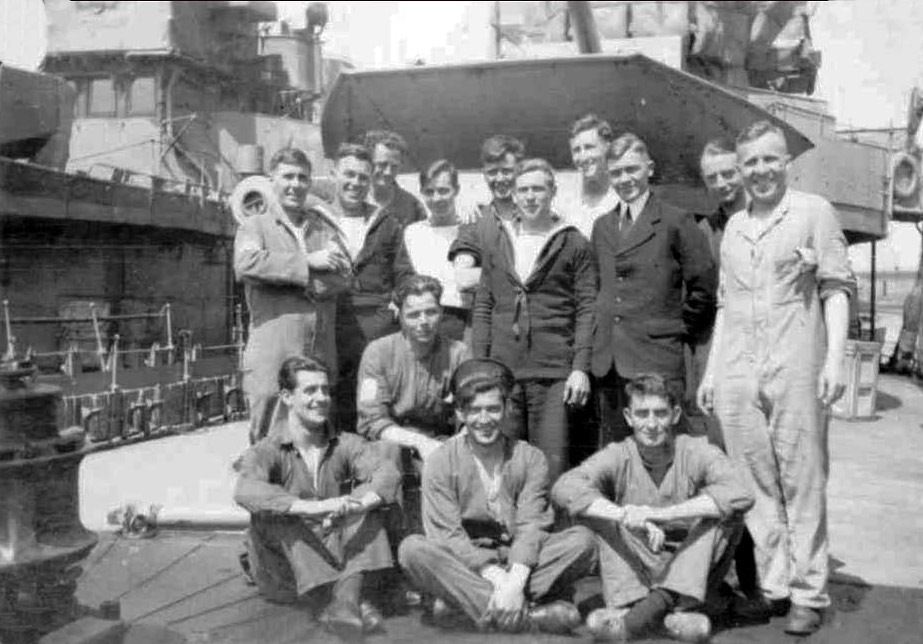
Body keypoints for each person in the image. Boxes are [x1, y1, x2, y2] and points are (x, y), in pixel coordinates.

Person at [697, 121, 851, 635]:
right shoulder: (735, 227)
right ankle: (775, 587)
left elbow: (836, 288)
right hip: (739, 368)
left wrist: (834, 361)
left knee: (802, 478)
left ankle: (810, 591)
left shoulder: (814, 213)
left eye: (770, 160)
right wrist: (714, 371)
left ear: (786, 162)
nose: (760, 171)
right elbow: (725, 305)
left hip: (796, 364)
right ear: (740, 171)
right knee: (755, 483)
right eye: (751, 163)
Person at [398, 358, 597, 635]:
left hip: (520, 560)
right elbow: (448, 536)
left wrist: (514, 582)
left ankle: (466, 606)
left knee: (582, 541)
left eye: (493, 409)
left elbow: (531, 527)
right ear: (459, 412)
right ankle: (530, 617)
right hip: (468, 561)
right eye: (475, 410)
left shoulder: (530, 457)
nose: (484, 420)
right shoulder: (440, 461)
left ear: (505, 409)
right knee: (413, 550)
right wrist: (497, 578)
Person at [553, 374, 754, 642]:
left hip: (690, 564)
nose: (651, 424)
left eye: (660, 414)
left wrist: (659, 514)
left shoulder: (695, 450)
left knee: (723, 516)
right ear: (628, 417)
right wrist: (624, 515)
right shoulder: (619, 453)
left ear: (675, 415)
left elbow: (740, 493)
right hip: (638, 561)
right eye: (642, 414)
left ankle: (642, 615)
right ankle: (662, 617)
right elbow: (564, 487)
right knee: (595, 514)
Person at [233, 356, 401, 640]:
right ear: (287, 397)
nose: (321, 398)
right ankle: (350, 601)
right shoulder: (268, 450)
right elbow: (245, 489)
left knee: (371, 507)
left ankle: (344, 604)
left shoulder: (346, 444)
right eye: (310, 391)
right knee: (278, 516)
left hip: (331, 554)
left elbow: (386, 473)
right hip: (286, 573)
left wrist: (355, 504)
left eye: (325, 390)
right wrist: (313, 508)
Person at [472, 158, 597, 481]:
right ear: (513, 195)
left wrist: (580, 368)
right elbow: (485, 304)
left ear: (552, 192)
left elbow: (586, 308)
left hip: (553, 373)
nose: (530, 197)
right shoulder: (498, 241)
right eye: (523, 190)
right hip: (504, 371)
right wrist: (480, 366)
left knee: (550, 467)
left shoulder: (573, 242)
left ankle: (552, 531)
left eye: (538, 189)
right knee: (504, 465)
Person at [591, 133, 717, 446]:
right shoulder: (603, 227)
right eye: (617, 172)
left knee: (662, 448)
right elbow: (601, 289)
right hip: (609, 364)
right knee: (616, 451)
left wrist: (674, 329)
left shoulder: (676, 221)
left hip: (657, 358)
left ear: (649, 168)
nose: (625, 179)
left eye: (632, 169)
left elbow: (704, 288)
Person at [234, 147, 350, 443]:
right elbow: (246, 265)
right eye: (287, 176)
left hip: (317, 349)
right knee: (268, 432)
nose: (295, 184)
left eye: (302, 178)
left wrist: (285, 279)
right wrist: (307, 264)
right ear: (272, 179)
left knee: (317, 432)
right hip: (274, 348)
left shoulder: (323, 227)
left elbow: (343, 275)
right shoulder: (254, 226)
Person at [356, 275, 471, 532]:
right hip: (393, 442)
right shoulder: (378, 352)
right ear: (400, 316)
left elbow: (472, 413)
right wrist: (420, 443)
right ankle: (394, 543)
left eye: (430, 312)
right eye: (414, 314)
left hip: (442, 441)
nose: (423, 322)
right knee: (387, 453)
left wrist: (448, 444)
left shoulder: (458, 353)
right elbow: (371, 420)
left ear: (441, 312)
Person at [322, 142, 415, 433]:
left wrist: (399, 300)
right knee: (330, 401)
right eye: (349, 174)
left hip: (375, 327)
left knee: (373, 400)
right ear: (334, 173)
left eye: (363, 177)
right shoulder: (316, 218)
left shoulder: (386, 222)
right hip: (329, 323)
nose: (355, 183)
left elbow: (404, 273)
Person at [403, 160, 472, 341]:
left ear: (456, 190)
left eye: (443, 190)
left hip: (462, 317)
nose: (436, 198)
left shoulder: (470, 229)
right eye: (429, 192)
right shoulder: (413, 232)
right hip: (422, 318)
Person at [448, 135, 526, 294]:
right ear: (484, 174)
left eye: (506, 171)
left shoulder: (537, 216)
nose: (499, 178)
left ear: (519, 171)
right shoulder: (475, 220)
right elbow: (463, 278)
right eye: (492, 172)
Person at [562, 113, 619, 238]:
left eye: (589, 147)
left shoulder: (623, 196)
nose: (582, 157)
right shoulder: (563, 195)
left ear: (608, 148)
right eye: (576, 150)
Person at [362, 129, 427, 227]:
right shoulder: (353, 199)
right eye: (382, 164)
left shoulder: (412, 207)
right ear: (369, 162)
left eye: (394, 166)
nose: (388, 172)